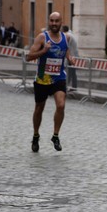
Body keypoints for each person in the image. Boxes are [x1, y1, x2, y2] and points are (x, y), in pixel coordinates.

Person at [26, 11, 74, 153]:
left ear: (61, 22)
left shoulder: (66, 38)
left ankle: (55, 135)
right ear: (49, 21)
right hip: (42, 78)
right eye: (51, 21)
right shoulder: (42, 38)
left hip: (58, 78)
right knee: (39, 108)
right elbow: (29, 57)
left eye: (56, 21)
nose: (54, 23)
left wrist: (70, 58)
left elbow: (65, 51)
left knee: (61, 105)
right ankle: (36, 135)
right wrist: (44, 51)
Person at [62, 25, 79, 90]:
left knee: (72, 72)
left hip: (71, 56)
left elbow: (65, 46)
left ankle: (73, 86)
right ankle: (68, 85)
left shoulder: (67, 36)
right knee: (70, 72)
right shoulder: (70, 34)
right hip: (72, 55)